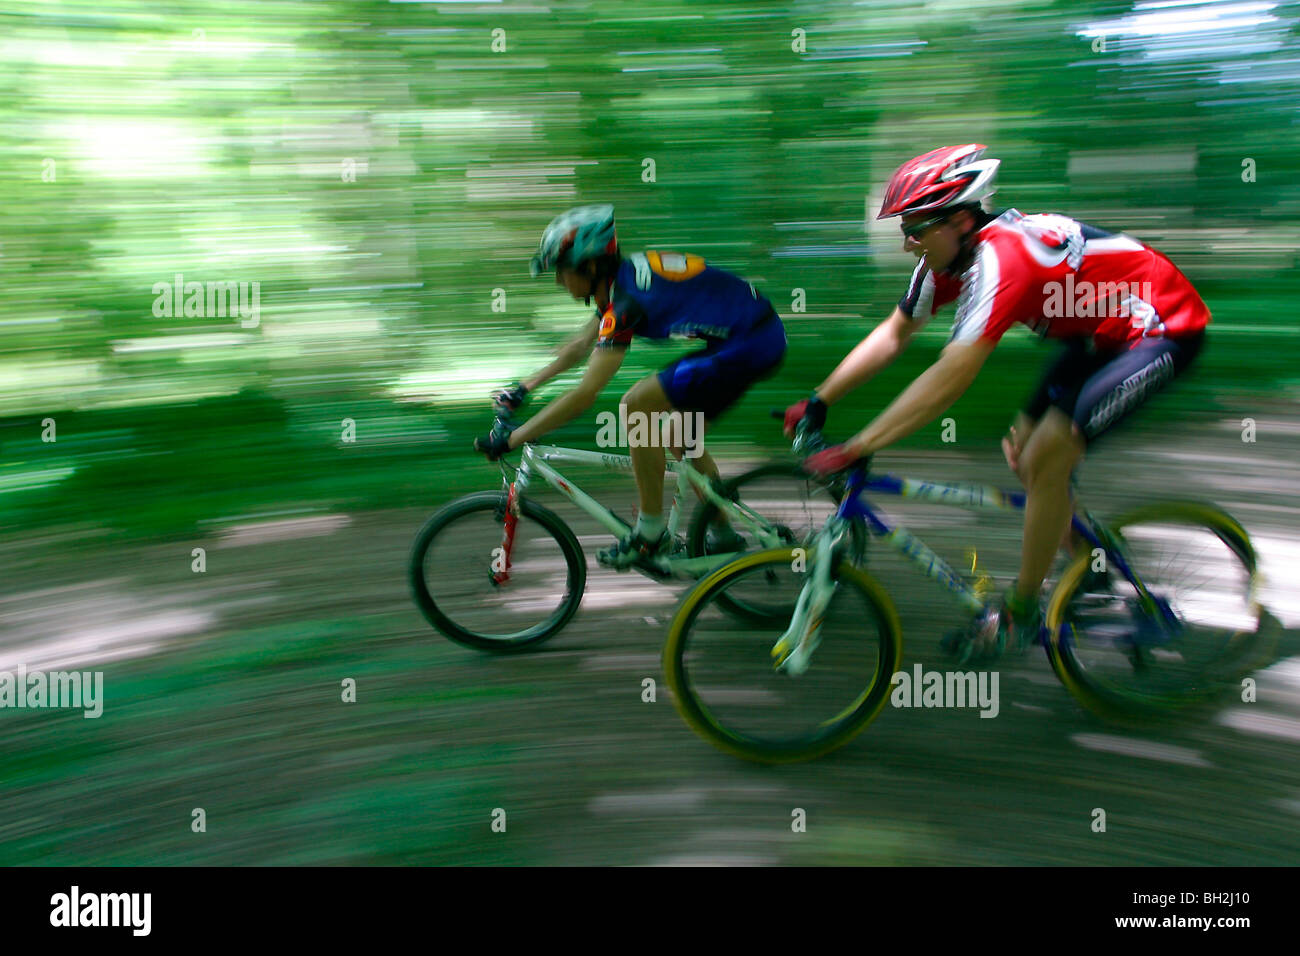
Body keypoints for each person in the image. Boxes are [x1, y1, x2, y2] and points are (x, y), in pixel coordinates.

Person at [784, 144, 1209, 660]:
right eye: (904, 230)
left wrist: (859, 445)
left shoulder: (1001, 257)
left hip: (1162, 328)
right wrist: (819, 400)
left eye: (916, 229)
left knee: (1049, 453)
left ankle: (1021, 614)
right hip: (1094, 336)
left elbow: (952, 374)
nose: (907, 244)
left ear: (961, 219)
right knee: (1028, 459)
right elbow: (896, 334)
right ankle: (1091, 571)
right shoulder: (947, 261)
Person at [477, 204, 787, 570]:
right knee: (678, 435)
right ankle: (722, 537)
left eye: (561, 272)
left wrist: (515, 439)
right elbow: (579, 346)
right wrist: (525, 387)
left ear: (591, 267)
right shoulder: (619, 284)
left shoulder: (627, 303)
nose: (559, 281)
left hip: (750, 343)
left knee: (636, 405)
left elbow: (584, 395)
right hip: (747, 337)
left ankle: (649, 533)